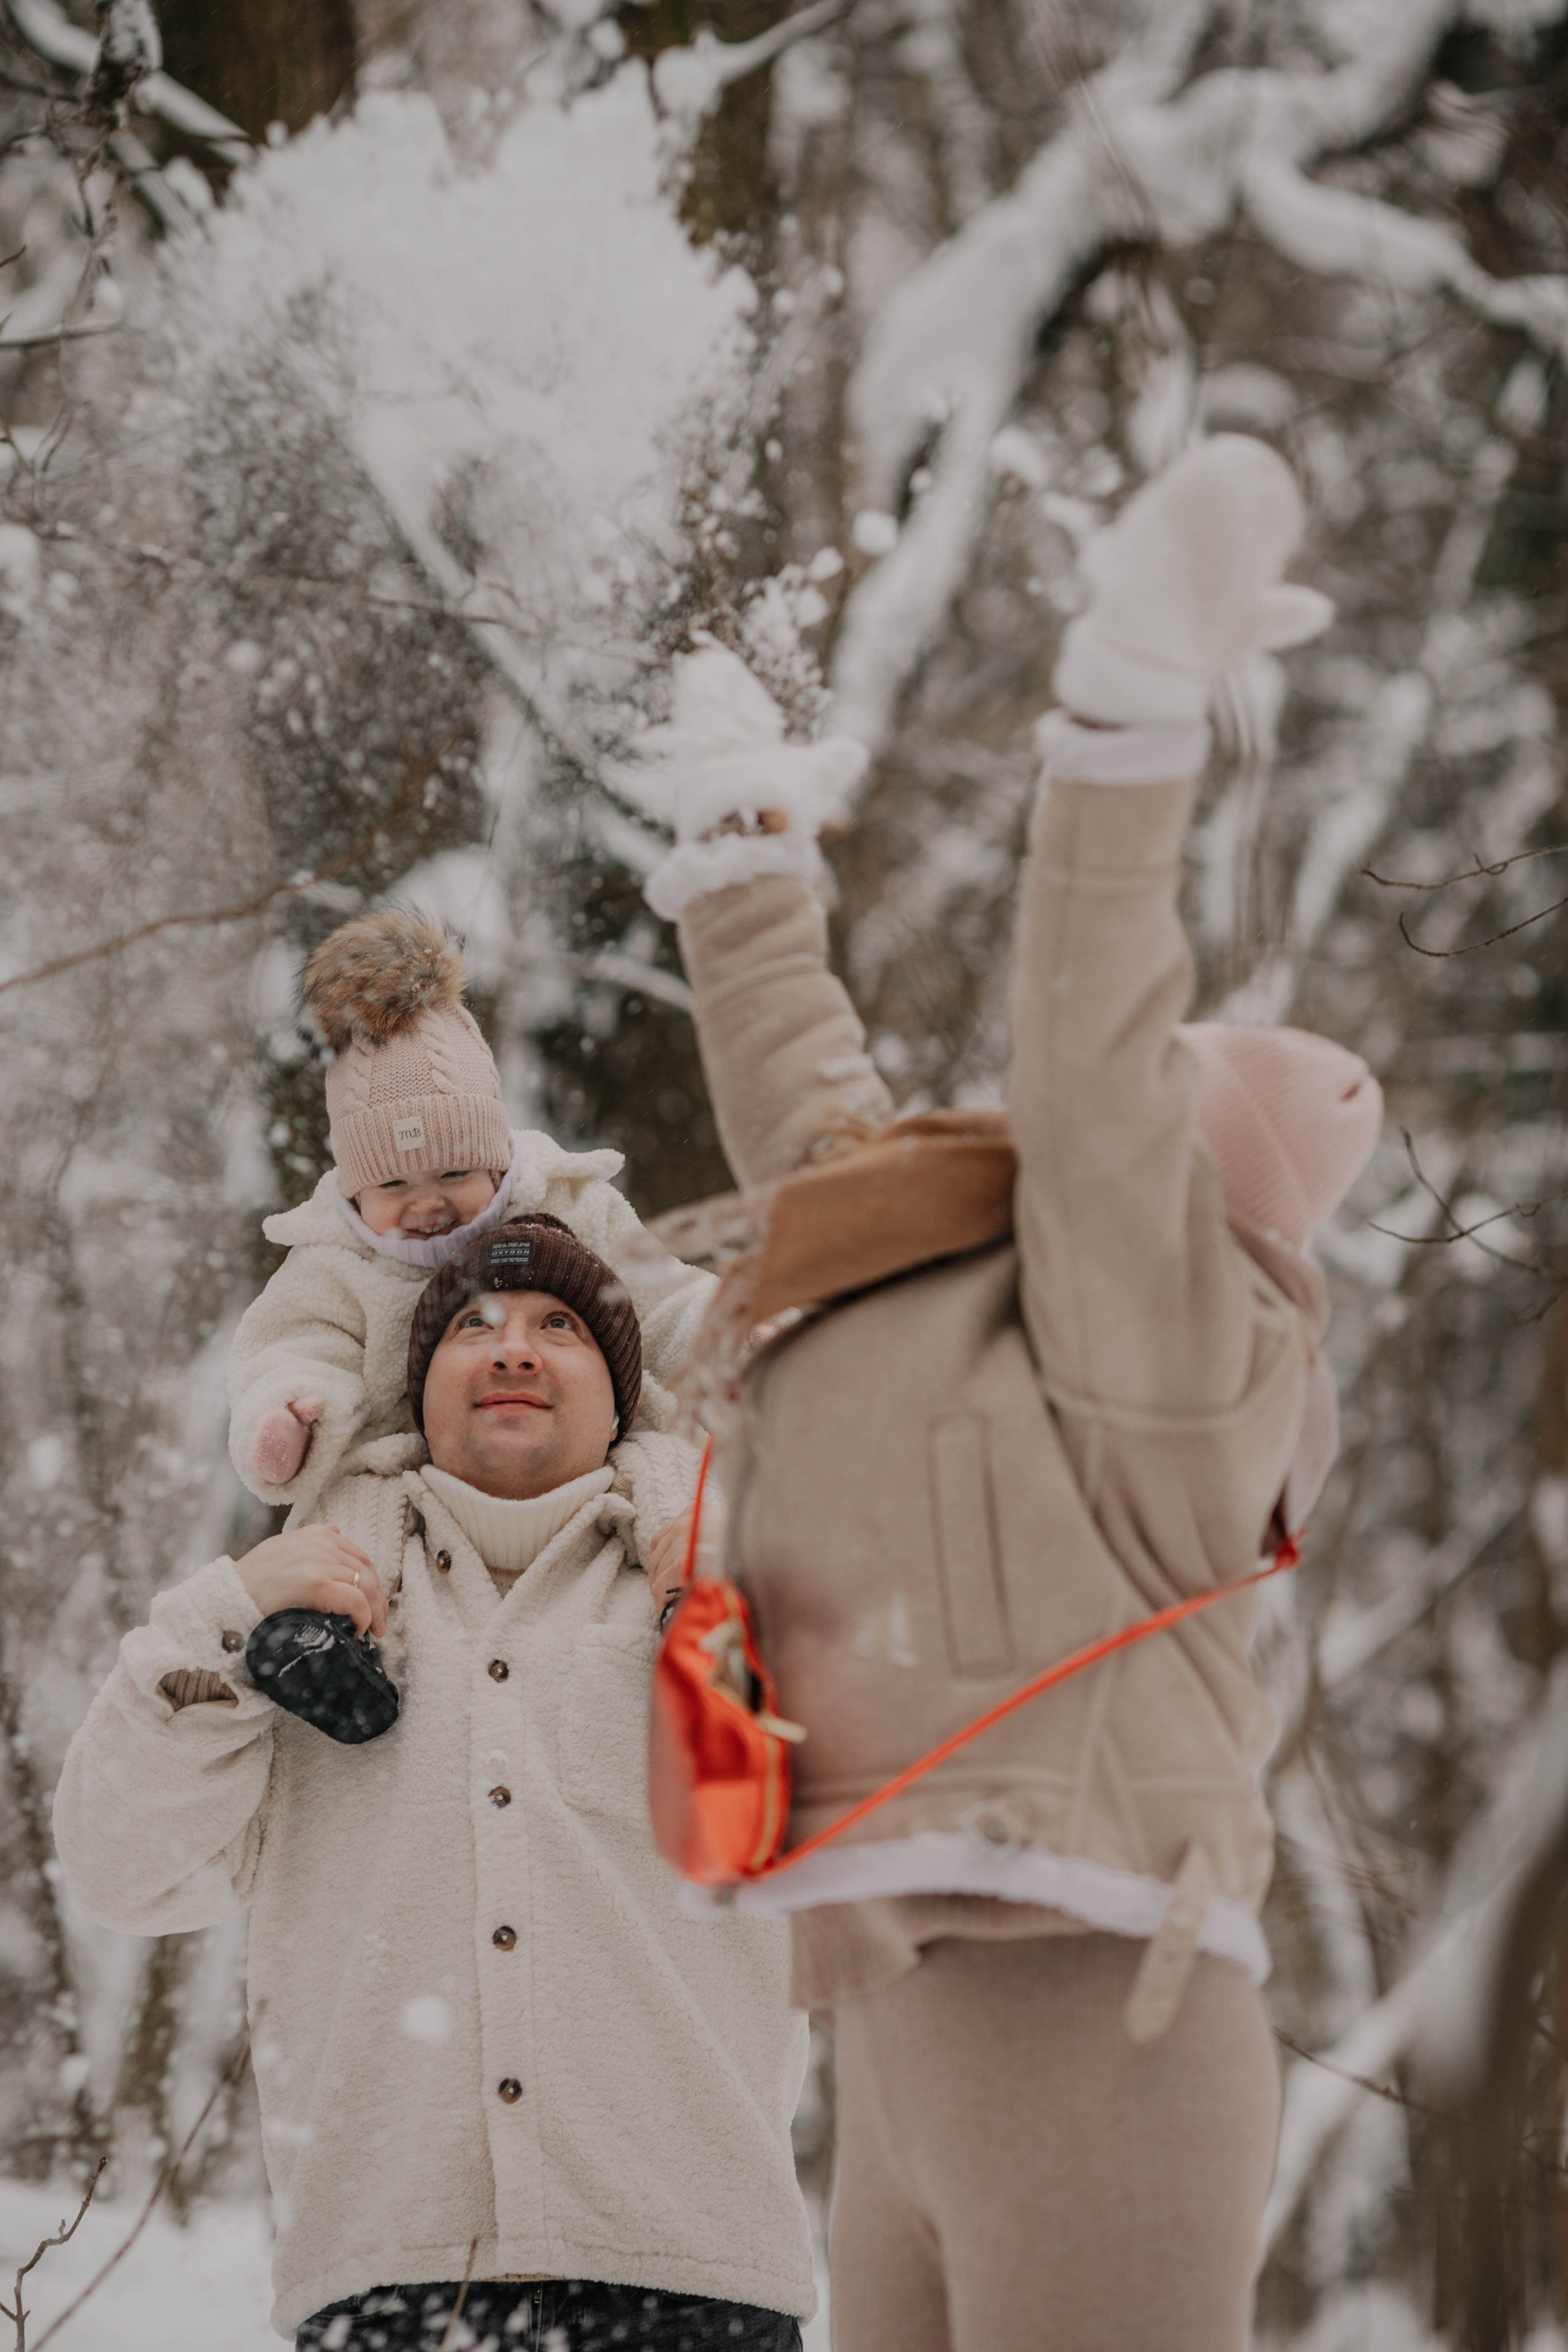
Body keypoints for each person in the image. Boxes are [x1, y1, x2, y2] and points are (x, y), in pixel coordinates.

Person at [628, 436, 1383, 2351]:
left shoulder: (1171, 1337)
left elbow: (1092, 1035)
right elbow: (806, 1107)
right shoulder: (926, 1273)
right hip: (897, 2019)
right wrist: (738, 848)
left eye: (1154, 1096)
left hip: (1101, 2008)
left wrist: (1127, 721)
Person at [53, 1214, 815, 2350]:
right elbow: (123, 1870)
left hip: (696, 2278)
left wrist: (760, 1604)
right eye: (474, 1325)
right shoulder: (303, 1630)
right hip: (387, 2285)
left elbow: (874, 1839)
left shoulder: (738, 1579)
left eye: (559, 1327)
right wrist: (228, 1613)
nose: (513, 1348)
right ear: (418, 1394)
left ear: (623, 1399)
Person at [228, 907, 715, 1512]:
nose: (427, 1203)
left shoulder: (568, 1203)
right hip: (401, 1498)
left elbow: (663, 1303)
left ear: (495, 1162)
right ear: (354, 1192)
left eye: (454, 1174)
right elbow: (290, 1346)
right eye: (394, 1184)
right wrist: (294, 1408)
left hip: (582, 1468)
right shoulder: (333, 1261)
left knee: (678, 1485)